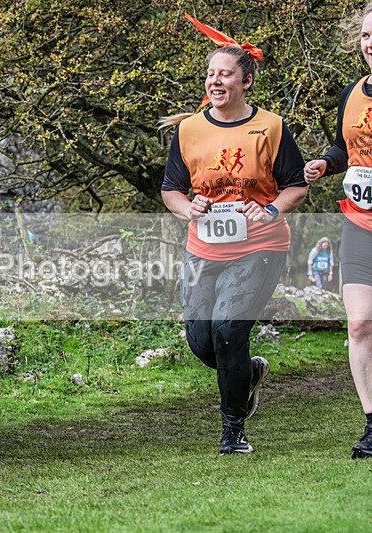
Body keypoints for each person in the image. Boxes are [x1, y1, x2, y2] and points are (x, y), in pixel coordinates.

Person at [160, 14, 307, 455]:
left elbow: (296, 185)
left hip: (259, 247)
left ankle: (233, 431)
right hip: (203, 248)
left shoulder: (271, 127)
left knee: (227, 333)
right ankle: (250, 372)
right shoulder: (189, 129)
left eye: (225, 74)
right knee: (201, 341)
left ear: (246, 82)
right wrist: (189, 207)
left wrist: (270, 210)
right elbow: (171, 190)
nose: (215, 81)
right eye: (211, 74)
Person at [304, 2, 372, 459]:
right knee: (361, 323)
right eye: (366, 35)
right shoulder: (353, 92)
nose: (371, 44)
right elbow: (344, 148)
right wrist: (326, 163)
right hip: (360, 224)